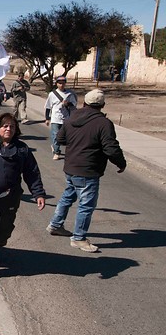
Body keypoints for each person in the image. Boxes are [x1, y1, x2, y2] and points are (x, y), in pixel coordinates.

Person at [46, 89, 126, 253]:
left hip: (71, 166)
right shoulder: (103, 124)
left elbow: (60, 139)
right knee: (86, 205)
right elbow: (111, 148)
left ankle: (55, 225)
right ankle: (78, 238)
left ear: (84, 103)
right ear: (102, 105)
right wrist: (121, 163)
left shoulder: (71, 118)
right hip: (87, 169)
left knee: (69, 195)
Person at [0, 113, 46, 283]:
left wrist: (38, 193)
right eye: (5, 126)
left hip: (10, 196)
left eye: (11, 126)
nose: (8, 129)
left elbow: (32, 173)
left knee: (4, 229)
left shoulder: (22, 149)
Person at [44, 76, 77, 160]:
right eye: (59, 83)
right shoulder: (52, 94)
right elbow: (48, 107)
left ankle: (66, 150)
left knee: (66, 137)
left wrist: (68, 103)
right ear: (56, 84)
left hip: (66, 118)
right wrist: (47, 118)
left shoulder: (70, 94)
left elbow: (74, 106)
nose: (61, 85)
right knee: (55, 135)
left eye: (63, 83)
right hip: (55, 118)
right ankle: (56, 151)